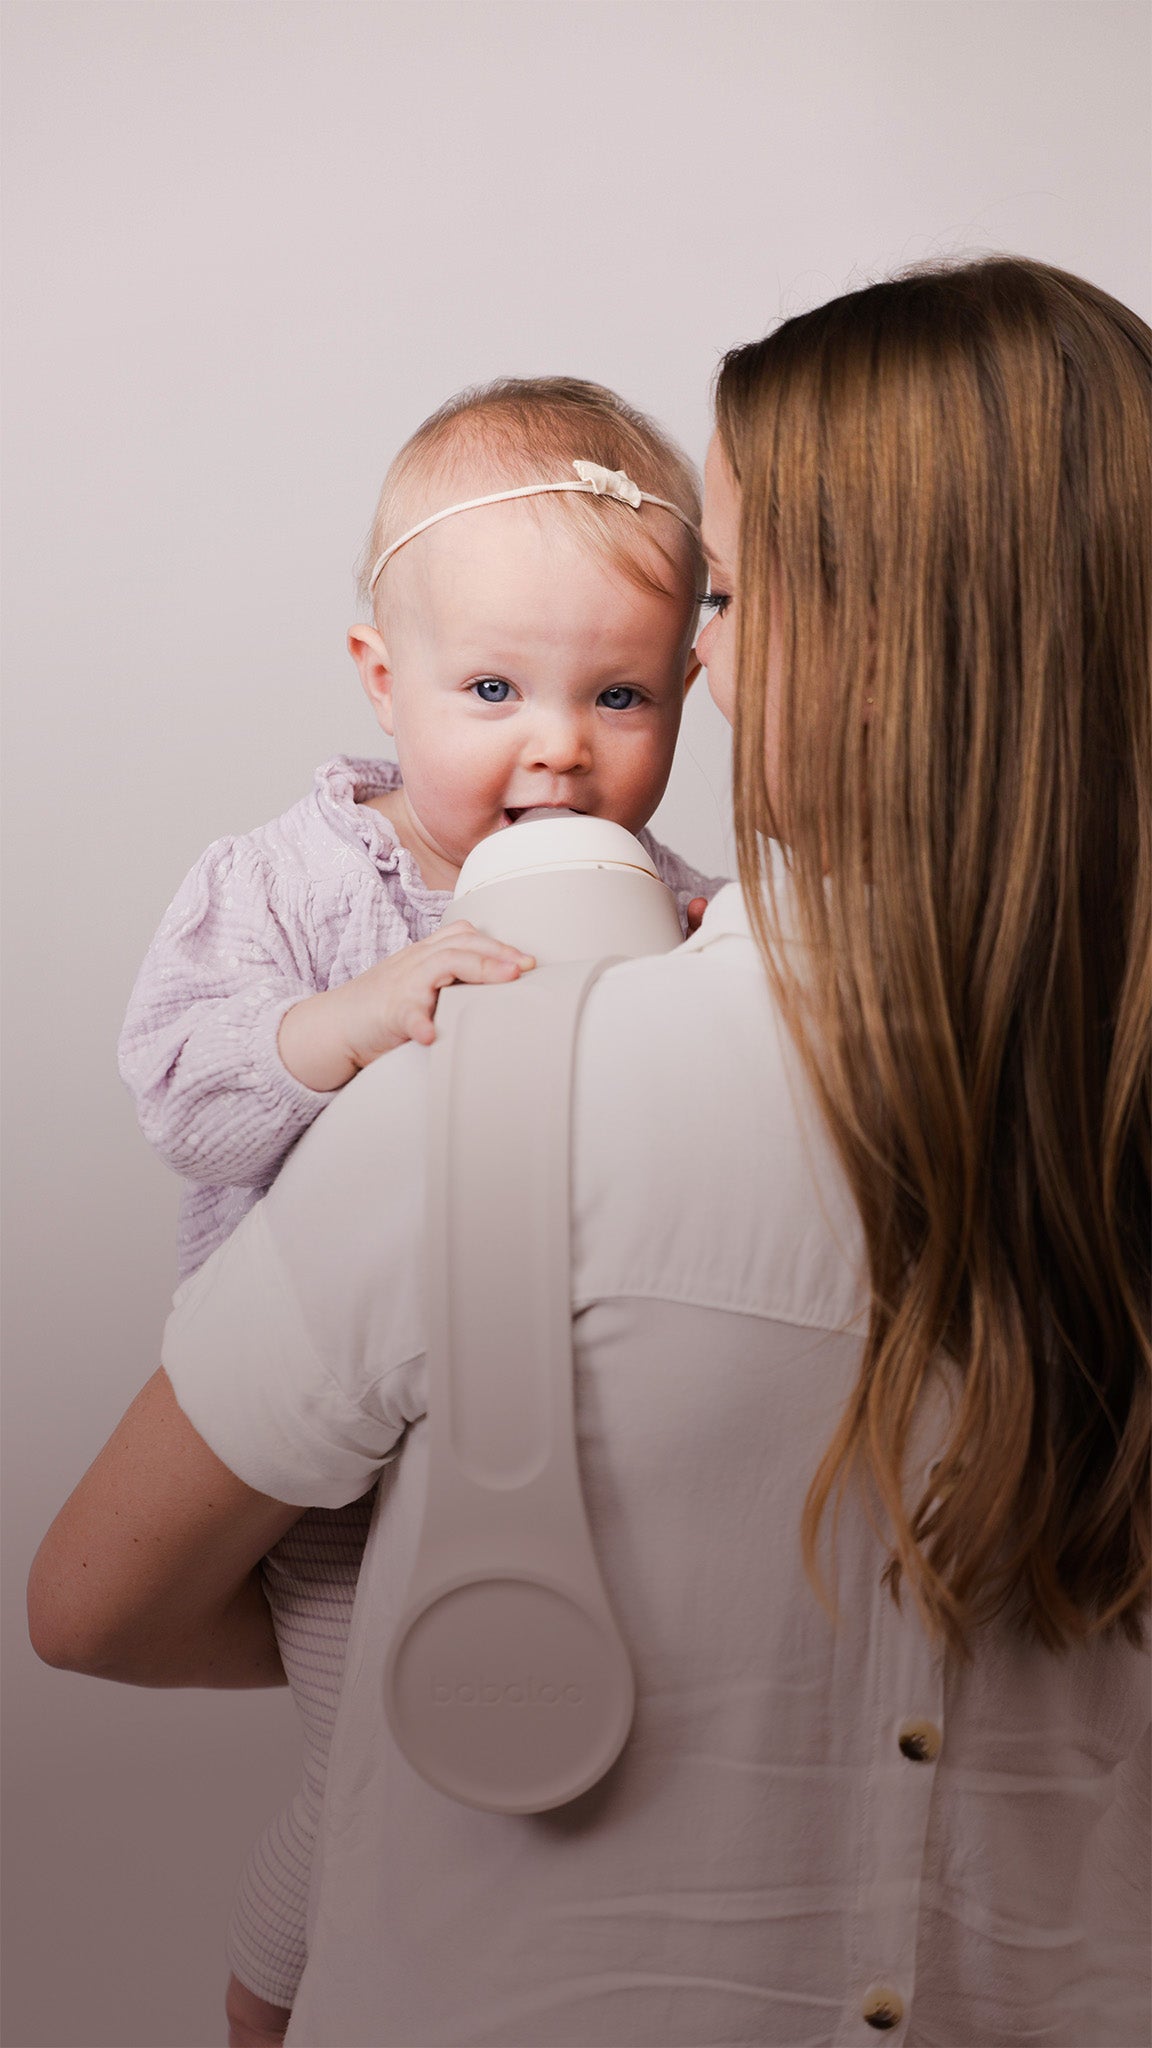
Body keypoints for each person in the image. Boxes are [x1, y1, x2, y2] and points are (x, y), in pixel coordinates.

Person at [30, 257, 1150, 2048]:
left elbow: (93, 1606)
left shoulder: (503, 1094)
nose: (697, 659)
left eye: (726, 600)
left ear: (868, 653)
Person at [114, 375, 727, 2042]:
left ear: (689, 689)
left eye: (620, 694)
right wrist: (354, 1020)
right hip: (324, 1448)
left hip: (554, 1401)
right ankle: (272, 2011)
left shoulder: (680, 906)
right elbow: (186, 1100)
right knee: (368, 1765)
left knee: (585, 1747)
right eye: (494, 690)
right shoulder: (290, 885)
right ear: (385, 679)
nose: (561, 745)